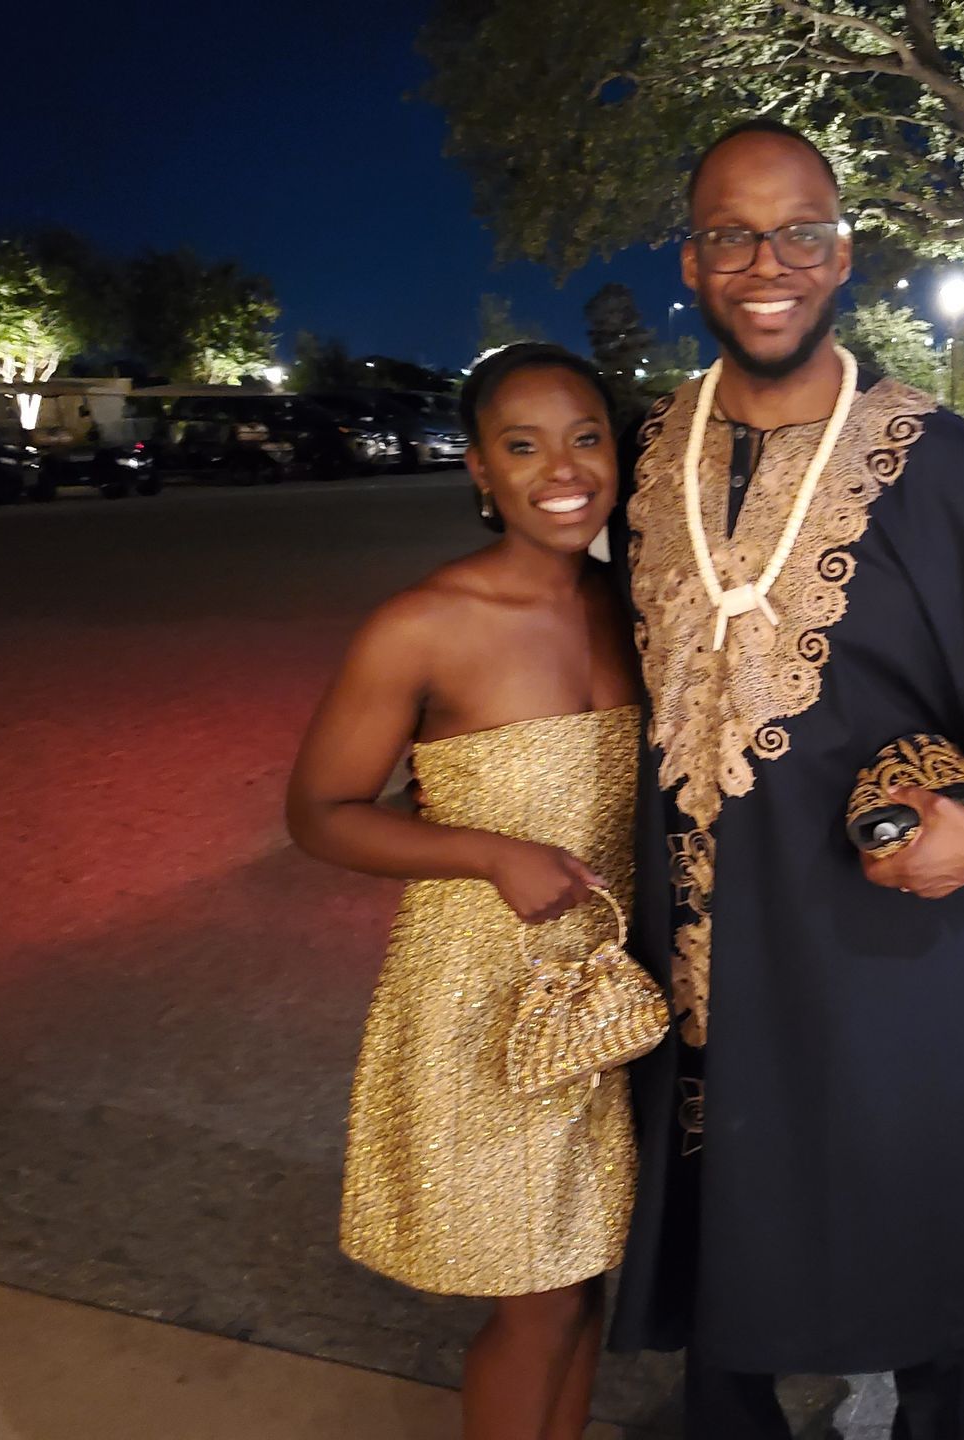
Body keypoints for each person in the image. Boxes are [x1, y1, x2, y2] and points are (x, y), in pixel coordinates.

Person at [605, 120, 964, 1439]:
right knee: (729, 1242)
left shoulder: (948, 471)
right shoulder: (650, 456)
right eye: (733, 236)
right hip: (708, 961)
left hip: (891, 943)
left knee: (922, 1228)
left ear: (843, 255)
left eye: (800, 233)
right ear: (691, 261)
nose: (768, 265)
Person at [285, 344, 644, 1440]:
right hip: (485, 1000)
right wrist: (487, 852)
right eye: (523, 446)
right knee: (538, 1300)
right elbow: (321, 812)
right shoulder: (423, 624)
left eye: (586, 438)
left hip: (614, 1000)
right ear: (480, 470)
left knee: (584, 1279)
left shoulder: (633, 608)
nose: (562, 470)